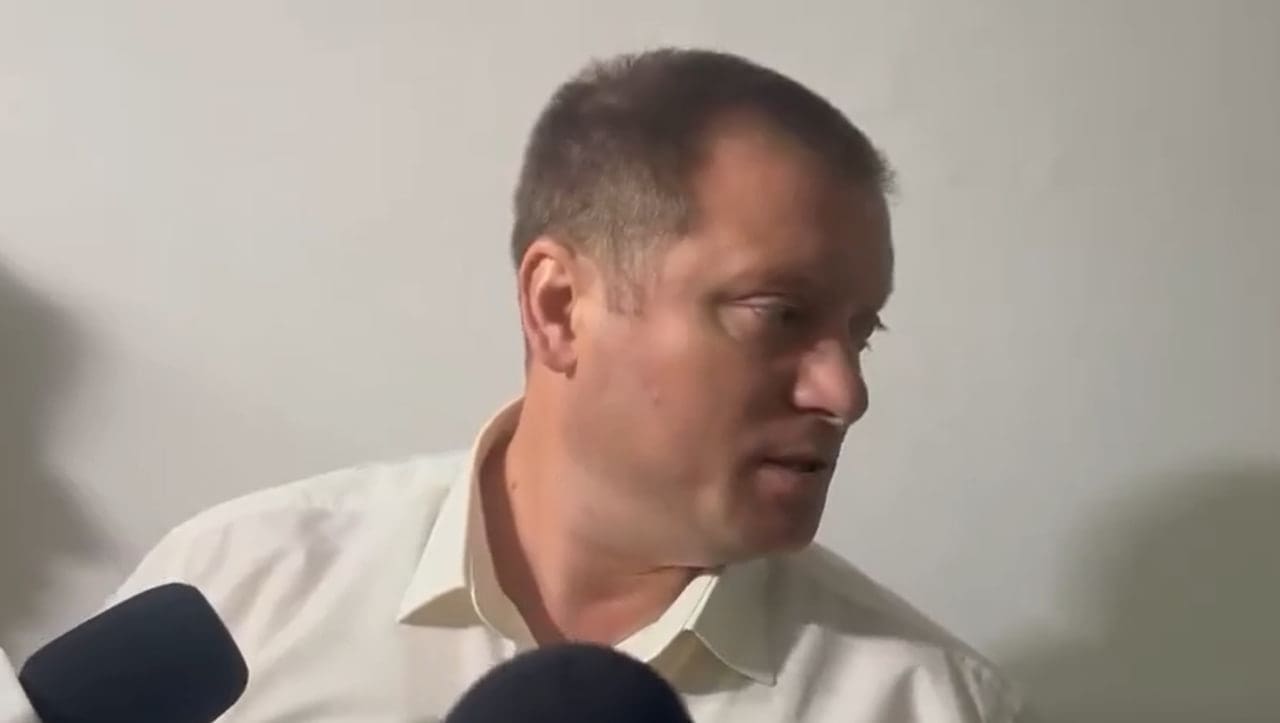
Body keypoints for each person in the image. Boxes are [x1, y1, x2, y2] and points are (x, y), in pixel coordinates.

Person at [109, 48, 1028, 721]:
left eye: (861, 332)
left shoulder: (929, 703)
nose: (845, 392)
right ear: (558, 308)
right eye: (778, 314)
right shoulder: (235, 596)